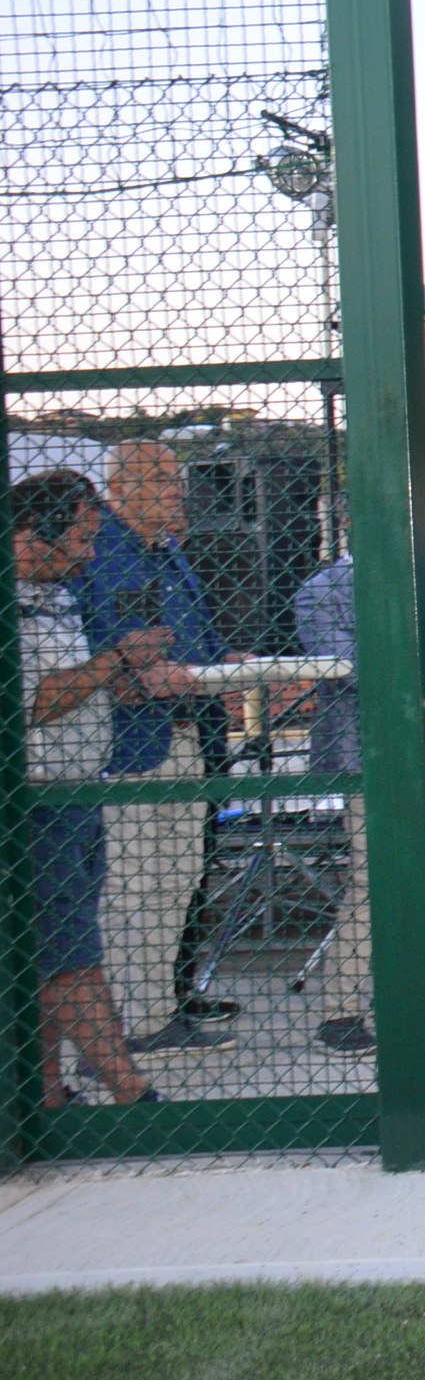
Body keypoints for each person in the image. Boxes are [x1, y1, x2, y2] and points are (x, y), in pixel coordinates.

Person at [16, 471, 167, 1106]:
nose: (90, 552)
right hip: (33, 800)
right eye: (80, 537)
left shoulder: (58, 595)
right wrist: (117, 660)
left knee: (48, 952)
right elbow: (35, 702)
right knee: (69, 948)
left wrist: (122, 681)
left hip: (78, 788)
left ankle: (47, 1089)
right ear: (33, 533)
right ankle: (128, 1088)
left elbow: (72, 685)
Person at [79, 441, 234, 1057]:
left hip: (187, 734)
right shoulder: (98, 553)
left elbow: (198, 639)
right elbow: (93, 648)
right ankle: (128, 1024)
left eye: (176, 477)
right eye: (160, 477)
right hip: (128, 746)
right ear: (118, 488)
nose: (176, 489)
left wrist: (230, 664)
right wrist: (136, 675)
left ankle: (158, 1013)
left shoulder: (168, 549)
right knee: (132, 887)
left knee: (179, 879)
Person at [291, 547, 425, 1051]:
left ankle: (399, 998)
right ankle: (340, 1013)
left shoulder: (415, 578)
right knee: (371, 881)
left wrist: (388, 648)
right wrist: (421, 644)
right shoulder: (318, 590)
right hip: (362, 758)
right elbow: (351, 669)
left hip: (423, 750)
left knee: (414, 877)